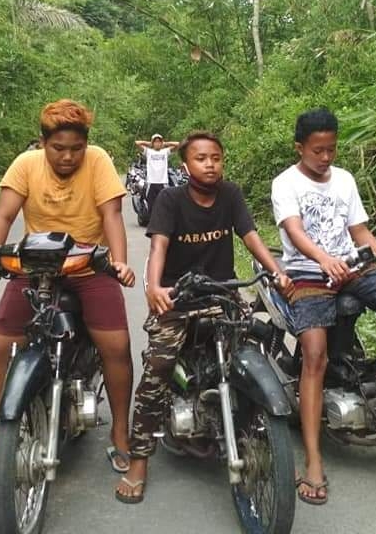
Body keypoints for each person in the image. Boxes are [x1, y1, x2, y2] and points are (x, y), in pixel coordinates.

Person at [115, 131, 293, 504]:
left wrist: (276, 272)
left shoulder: (231, 194)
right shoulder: (170, 198)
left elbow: (250, 237)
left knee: (252, 351)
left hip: (222, 292)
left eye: (216, 157)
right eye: (201, 158)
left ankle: (251, 425)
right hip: (177, 295)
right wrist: (153, 287)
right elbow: (159, 245)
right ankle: (139, 458)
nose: (210, 164)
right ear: (186, 165)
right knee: (159, 366)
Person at [271, 107, 376, 506]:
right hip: (308, 273)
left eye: (331, 150)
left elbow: (360, 232)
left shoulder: (344, 179)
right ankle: (312, 459)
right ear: (300, 148)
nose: (326, 158)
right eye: (318, 151)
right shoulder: (284, 183)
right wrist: (323, 259)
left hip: (354, 267)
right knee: (314, 356)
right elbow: (293, 230)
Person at [0, 99, 136, 475]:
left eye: (76, 148)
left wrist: (119, 262)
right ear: (43, 143)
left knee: (116, 346)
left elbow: (112, 215)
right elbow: (4, 216)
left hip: (89, 265)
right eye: (59, 148)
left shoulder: (98, 161)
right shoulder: (26, 165)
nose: (68, 156)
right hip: (36, 265)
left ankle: (121, 433)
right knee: (1, 346)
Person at [134, 134, 180, 214]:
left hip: (163, 182)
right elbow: (137, 143)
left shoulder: (165, 152)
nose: (157, 143)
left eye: (159, 141)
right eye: (155, 142)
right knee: (151, 205)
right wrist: (149, 144)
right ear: (153, 143)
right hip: (151, 182)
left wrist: (165, 144)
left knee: (164, 204)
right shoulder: (148, 151)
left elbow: (178, 144)